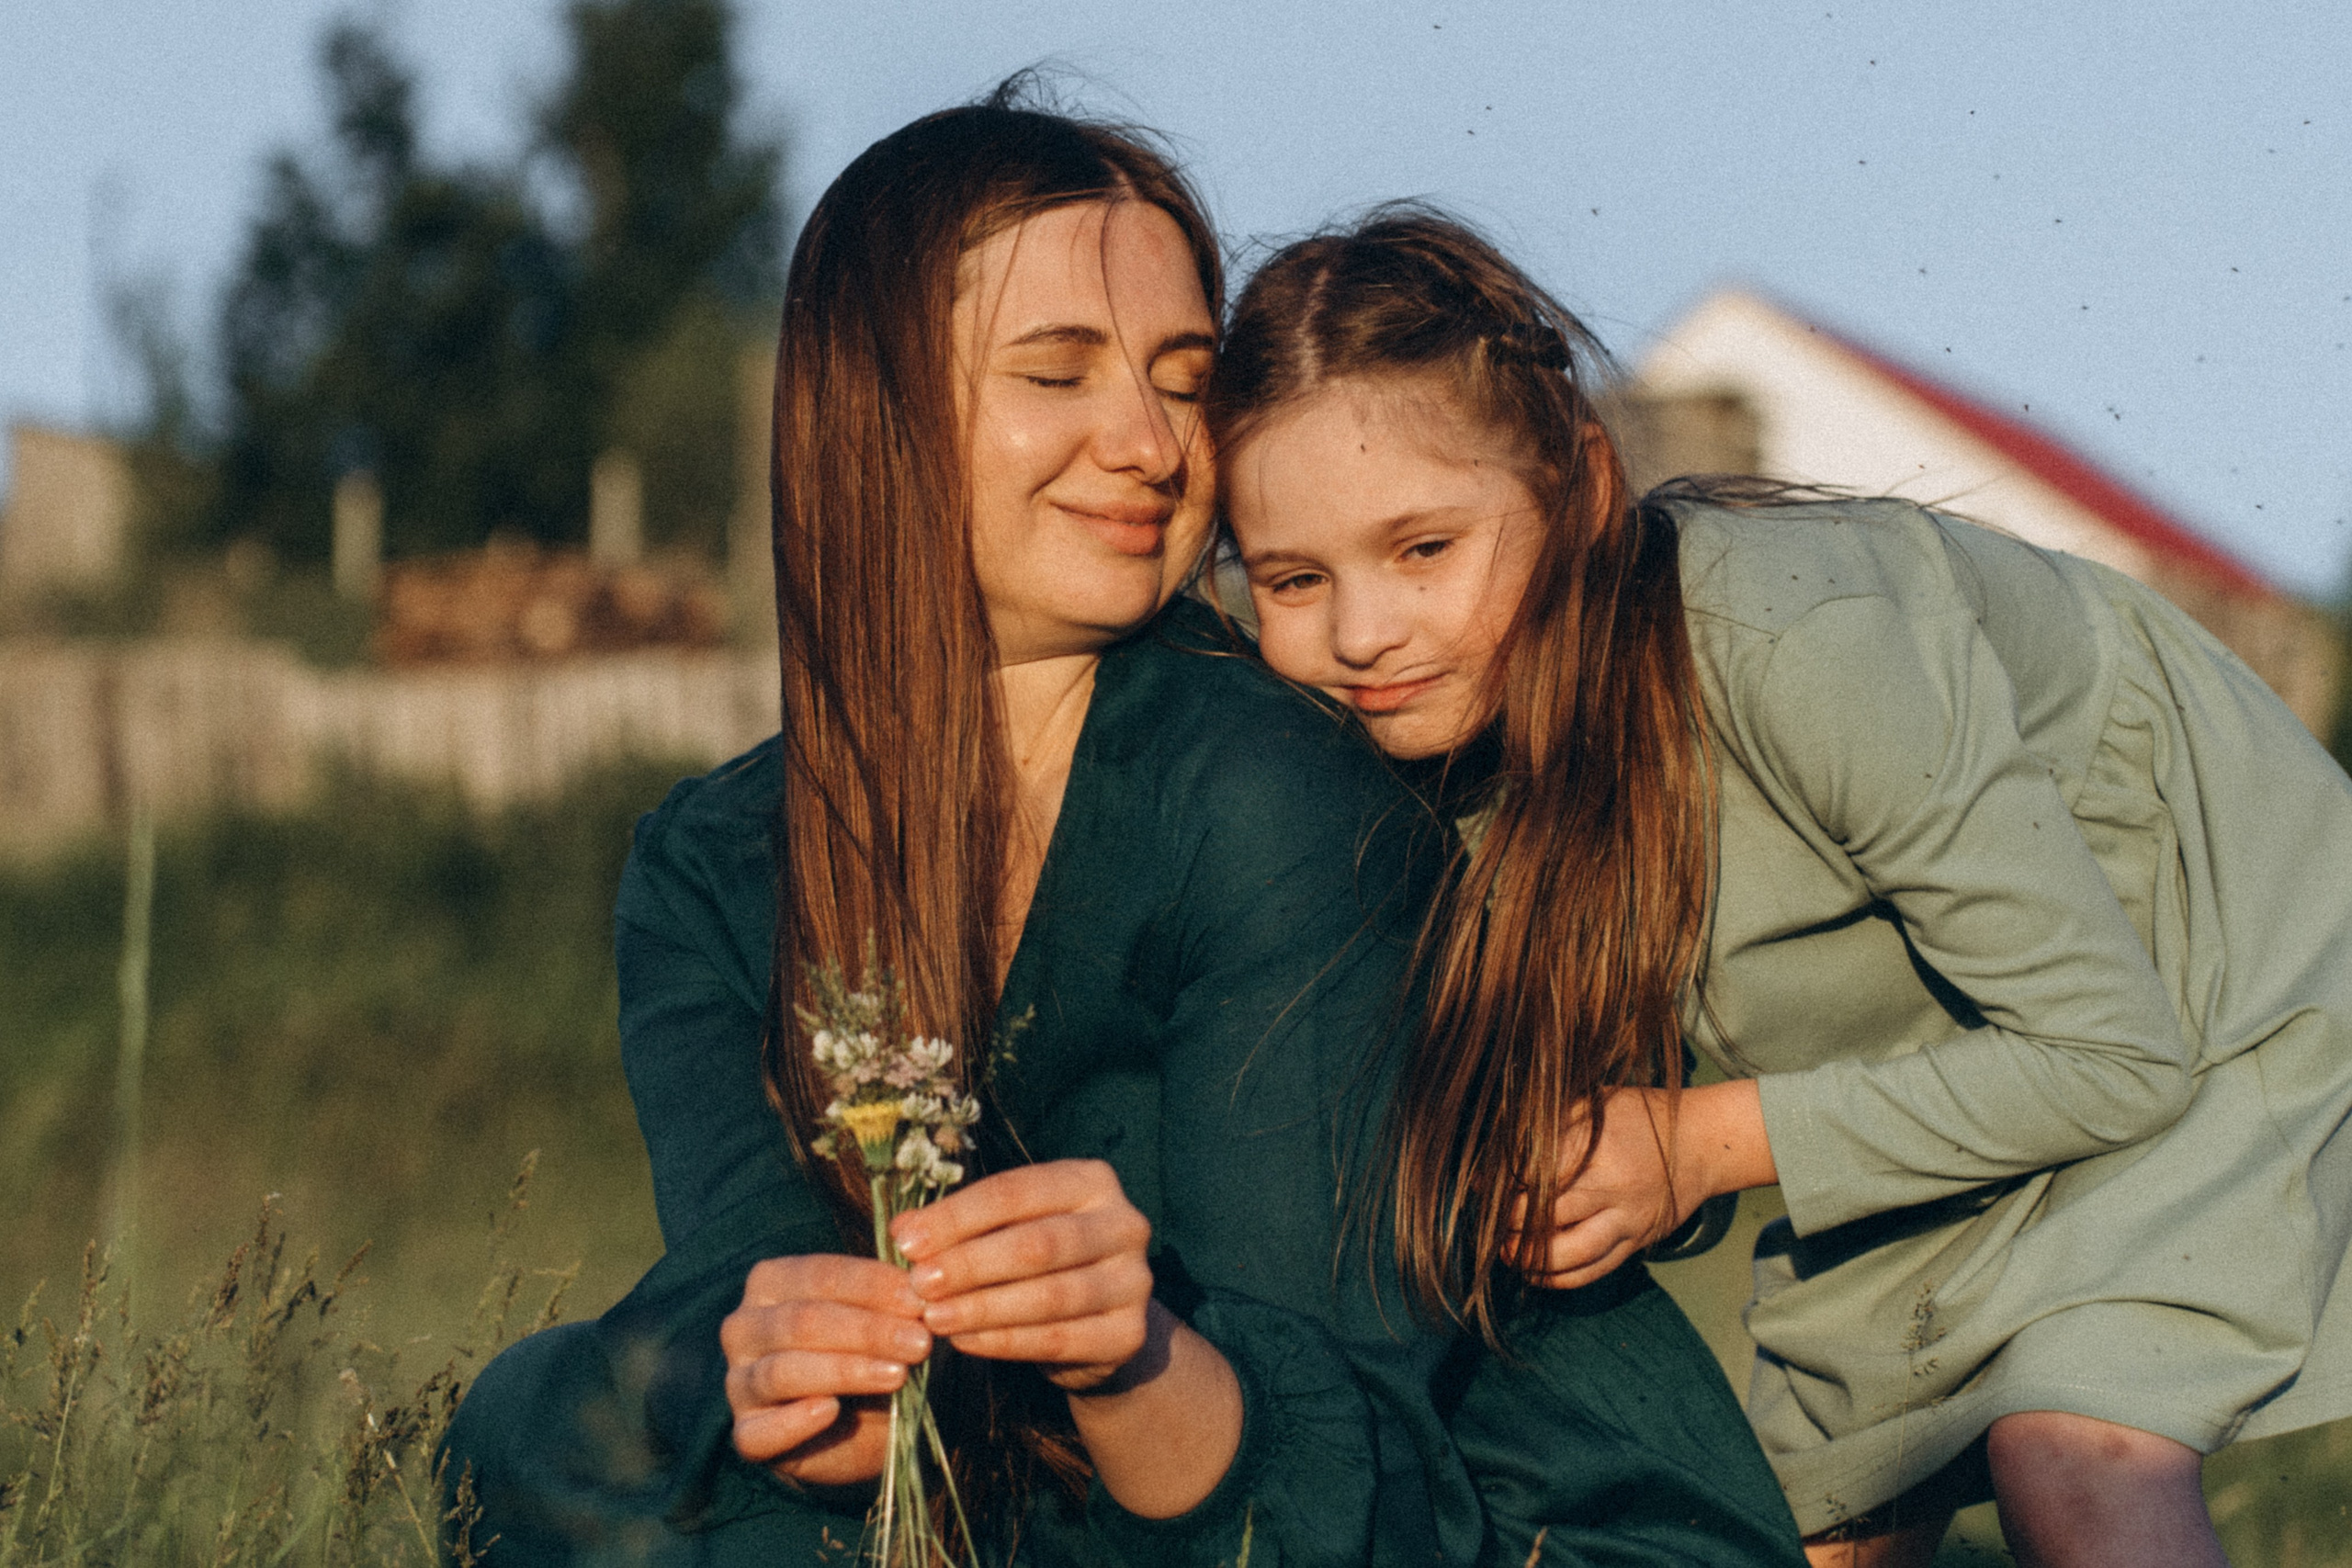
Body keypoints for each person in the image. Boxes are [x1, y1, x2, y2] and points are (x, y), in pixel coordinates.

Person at [442, 101, 1806, 1566]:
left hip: (1438, 1511)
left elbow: (1325, 1479)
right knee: (534, 1422)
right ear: (878, 406)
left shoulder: (1269, 790)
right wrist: (794, 1385)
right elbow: (750, 1279)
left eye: (1185, 381)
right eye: (1058, 372)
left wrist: (1127, 1352)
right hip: (1015, 1494)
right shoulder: (712, 868)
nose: (1151, 445)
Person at [1210, 207, 2352, 1568]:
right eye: (1293, 578)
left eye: (1423, 550)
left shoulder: (1797, 633)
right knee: (1814, 1519)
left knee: (2075, 1451)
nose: (1361, 632)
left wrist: (1691, 1146)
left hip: (2189, 967)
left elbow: (2112, 1055)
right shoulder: (1453, 743)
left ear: (1583, 487)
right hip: (1941, 1056)